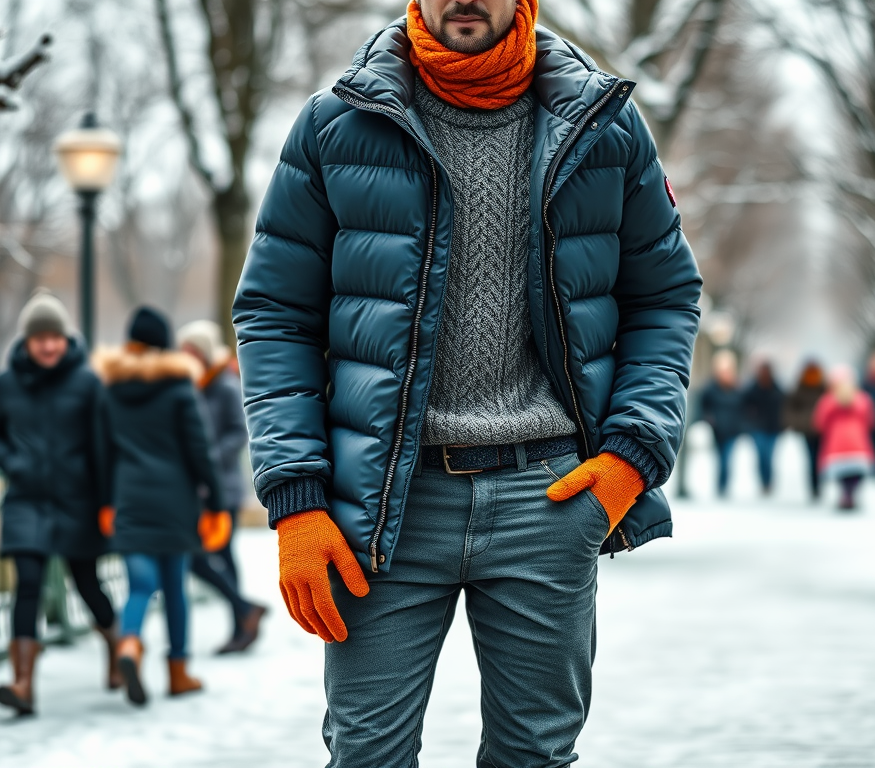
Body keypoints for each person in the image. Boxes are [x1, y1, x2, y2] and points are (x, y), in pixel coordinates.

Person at [232, 0, 702, 763]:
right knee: (367, 755)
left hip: (547, 497)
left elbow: (665, 296)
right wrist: (296, 501)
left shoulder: (604, 127)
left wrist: (631, 457)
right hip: (385, 506)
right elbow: (275, 314)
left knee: (535, 756)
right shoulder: (334, 124)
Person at [0, 291, 120, 716]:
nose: (47, 345)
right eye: (39, 337)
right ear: (26, 340)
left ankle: (117, 653)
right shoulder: (6, 383)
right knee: (27, 583)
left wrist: (107, 503)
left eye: (54, 337)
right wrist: (13, 462)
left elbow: (104, 446)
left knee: (87, 582)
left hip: (78, 501)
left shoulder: (88, 382)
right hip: (26, 500)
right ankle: (22, 684)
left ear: (64, 338)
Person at [94, 307, 230, 706]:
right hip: (176, 502)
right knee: (175, 588)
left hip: (129, 499)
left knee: (139, 585)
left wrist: (106, 502)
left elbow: (102, 453)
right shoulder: (178, 387)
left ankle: (130, 645)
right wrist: (216, 503)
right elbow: (199, 451)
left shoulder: (111, 388)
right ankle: (178, 672)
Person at [178, 320, 267, 654]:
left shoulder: (225, 385)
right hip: (198, 488)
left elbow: (237, 432)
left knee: (216, 555)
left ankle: (242, 621)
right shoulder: (192, 384)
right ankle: (245, 613)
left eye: (190, 349)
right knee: (204, 556)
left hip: (223, 488)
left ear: (202, 351)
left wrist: (207, 459)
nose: (184, 354)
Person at [813, 365, 875, 510]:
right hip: (858, 444)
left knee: (842, 474)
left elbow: (820, 423)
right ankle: (850, 493)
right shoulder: (862, 399)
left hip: (836, 445)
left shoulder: (827, 401)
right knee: (855, 473)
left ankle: (846, 494)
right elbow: (870, 421)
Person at [699, 350, 743, 496]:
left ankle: (723, 485)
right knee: (720, 457)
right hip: (717, 430)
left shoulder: (737, 387)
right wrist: (709, 419)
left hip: (732, 429)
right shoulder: (711, 388)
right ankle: (720, 484)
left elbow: (743, 407)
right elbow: (704, 406)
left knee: (727, 458)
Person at [783, 361, 826, 500]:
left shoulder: (823, 387)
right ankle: (814, 486)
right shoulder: (800, 387)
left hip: (821, 429)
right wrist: (795, 423)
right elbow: (791, 407)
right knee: (812, 458)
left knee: (819, 458)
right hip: (807, 428)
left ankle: (818, 484)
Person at [742, 360, 785, 495]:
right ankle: (763, 482)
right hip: (757, 427)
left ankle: (768, 482)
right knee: (761, 455)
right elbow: (745, 404)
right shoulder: (753, 388)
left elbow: (783, 406)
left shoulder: (777, 388)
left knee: (769, 456)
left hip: (773, 428)